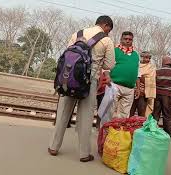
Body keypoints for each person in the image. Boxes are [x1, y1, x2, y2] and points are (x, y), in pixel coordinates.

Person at [48, 15, 115, 162]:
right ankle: (84, 154)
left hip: (69, 79)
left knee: (63, 113)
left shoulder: (77, 34)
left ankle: (53, 146)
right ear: (106, 26)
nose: (108, 32)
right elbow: (109, 65)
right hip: (89, 81)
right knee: (85, 118)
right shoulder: (106, 40)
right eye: (108, 29)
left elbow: (68, 55)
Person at [110, 31, 140, 118]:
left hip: (129, 89)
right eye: (125, 39)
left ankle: (119, 131)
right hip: (115, 85)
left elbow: (138, 72)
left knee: (124, 115)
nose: (128, 41)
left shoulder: (135, 54)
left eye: (130, 39)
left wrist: (137, 88)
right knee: (109, 111)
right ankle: (106, 131)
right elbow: (107, 67)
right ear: (121, 39)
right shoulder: (114, 51)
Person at [152, 56, 171, 140]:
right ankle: (168, 134)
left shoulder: (157, 71)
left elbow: (153, 83)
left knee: (155, 114)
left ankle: (151, 131)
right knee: (167, 115)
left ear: (163, 63)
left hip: (157, 95)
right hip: (167, 96)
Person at [130, 51, 156, 117]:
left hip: (143, 93)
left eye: (149, 58)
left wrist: (139, 77)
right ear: (141, 57)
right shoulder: (136, 65)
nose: (148, 60)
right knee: (130, 112)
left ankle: (141, 127)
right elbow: (132, 75)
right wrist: (139, 77)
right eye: (146, 57)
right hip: (132, 92)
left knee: (141, 114)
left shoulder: (151, 68)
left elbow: (151, 80)